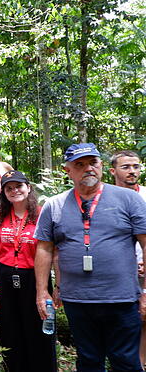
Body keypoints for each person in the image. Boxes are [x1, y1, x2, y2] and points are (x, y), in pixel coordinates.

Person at [35, 143, 146, 371]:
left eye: (93, 163)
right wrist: (42, 292)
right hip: (78, 300)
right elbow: (44, 249)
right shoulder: (54, 205)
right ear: (68, 170)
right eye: (80, 164)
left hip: (122, 299)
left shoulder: (129, 199)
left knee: (126, 360)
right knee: (88, 360)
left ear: (102, 166)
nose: (89, 168)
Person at [0, 170, 57, 371]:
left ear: (28, 188)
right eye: (9, 188)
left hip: (35, 278)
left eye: (18, 186)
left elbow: (51, 250)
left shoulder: (41, 213)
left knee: (39, 329)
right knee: (10, 331)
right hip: (5, 276)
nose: (14, 191)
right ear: (3, 193)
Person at [109, 150, 146, 368]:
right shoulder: (104, 196)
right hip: (117, 273)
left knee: (144, 318)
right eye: (126, 167)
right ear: (113, 171)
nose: (132, 171)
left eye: (136, 166)